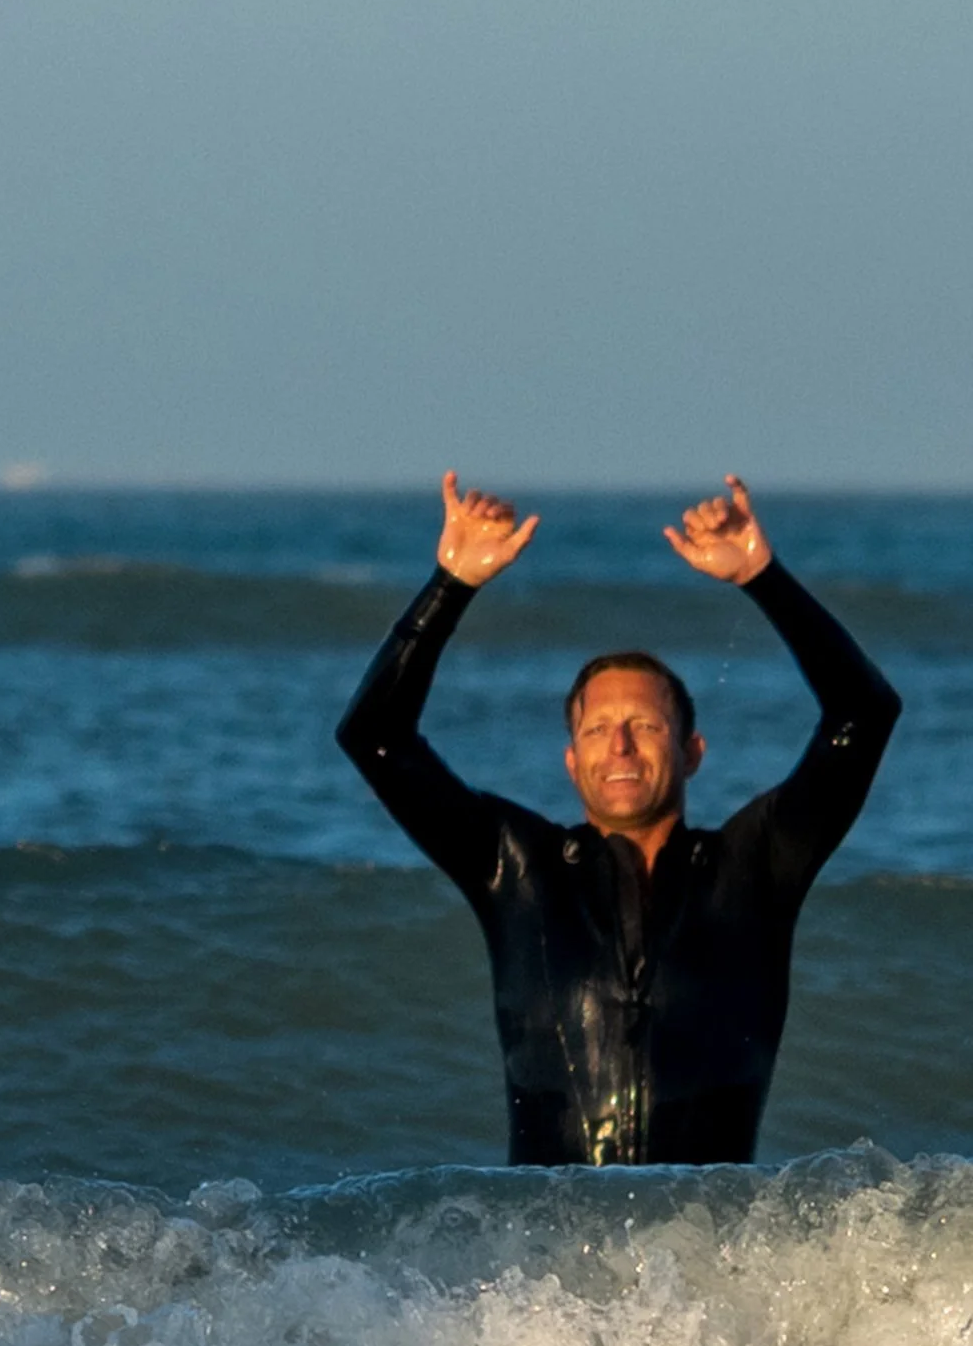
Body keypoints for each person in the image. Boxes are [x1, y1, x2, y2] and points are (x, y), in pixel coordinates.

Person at [335, 474, 900, 1165]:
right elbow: (376, 736)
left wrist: (763, 577)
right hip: (548, 1258)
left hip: (707, 1250)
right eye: (599, 729)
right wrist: (450, 583)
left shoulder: (756, 866)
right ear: (573, 763)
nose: (622, 746)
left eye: (644, 725)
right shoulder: (514, 866)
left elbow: (863, 715)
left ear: (692, 751)